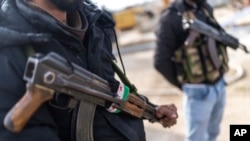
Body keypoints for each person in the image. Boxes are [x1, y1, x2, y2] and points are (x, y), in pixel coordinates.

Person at [0, 0, 178, 141]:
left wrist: (152, 110)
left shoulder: (94, 24)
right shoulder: (10, 46)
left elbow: (109, 90)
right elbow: (22, 131)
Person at [154, 0, 228, 141]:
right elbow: (161, 61)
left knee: (213, 132)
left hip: (219, 84)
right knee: (197, 138)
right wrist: (183, 84)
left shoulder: (205, 7)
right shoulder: (170, 18)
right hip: (197, 90)